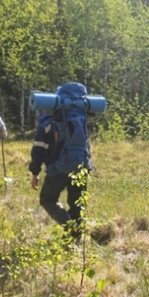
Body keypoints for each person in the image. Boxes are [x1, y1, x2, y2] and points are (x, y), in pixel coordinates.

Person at [29, 82, 93, 239]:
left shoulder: (47, 121)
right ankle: (76, 239)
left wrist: (35, 172)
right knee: (77, 203)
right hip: (82, 167)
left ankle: (70, 228)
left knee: (47, 200)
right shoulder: (81, 117)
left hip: (59, 167)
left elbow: (39, 149)